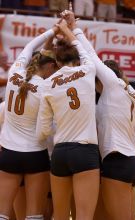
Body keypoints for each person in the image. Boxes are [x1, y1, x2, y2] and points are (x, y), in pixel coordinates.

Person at [62, 10, 135, 220]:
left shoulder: (113, 85)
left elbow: (92, 58)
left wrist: (74, 30)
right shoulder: (132, 93)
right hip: (132, 161)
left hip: (117, 161)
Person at [36, 19, 100, 220]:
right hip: (85, 150)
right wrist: (68, 29)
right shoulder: (87, 70)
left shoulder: (47, 84)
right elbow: (84, 49)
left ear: (56, 63)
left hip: (60, 153)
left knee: (60, 216)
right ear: (77, 59)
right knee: (84, 216)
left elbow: (42, 131)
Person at [0, 24, 58, 220]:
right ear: (49, 66)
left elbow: (30, 45)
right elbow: (45, 128)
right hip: (36, 155)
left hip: (8, 153)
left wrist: (53, 31)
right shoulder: (45, 89)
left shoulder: (14, 73)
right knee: (34, 215)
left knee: (2, 213)